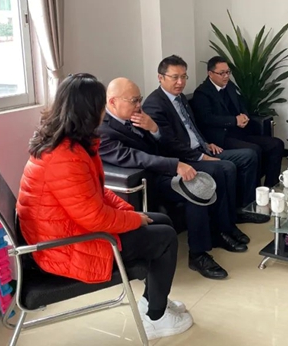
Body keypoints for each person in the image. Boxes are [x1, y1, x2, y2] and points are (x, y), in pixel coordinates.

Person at [16, 73, 192, 340]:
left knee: (161, 221)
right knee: (165, 237)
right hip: (64, 246)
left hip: (71, 229)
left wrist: (131, 213)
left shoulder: (72, 143)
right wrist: (134, 220)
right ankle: (156, 319)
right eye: (101, 106)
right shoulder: (64, 157)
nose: (104, 113)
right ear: (88, 111)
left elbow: (97, 194)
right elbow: (94, 217)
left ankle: (153, 302)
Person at [98, 77, 245, 280]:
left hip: (164, 169)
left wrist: (154, 129)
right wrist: (175, 165)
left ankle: (221, 230)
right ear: (113, 101)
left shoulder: (136, 115)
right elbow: (134, 157)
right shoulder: (102, 130)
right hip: (146, 180)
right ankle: (198, 255)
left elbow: (166, 143)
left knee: (215, 172)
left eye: (140, 99)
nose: (139, 105)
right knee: (194, 189)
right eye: (134, 100)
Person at [142, 55, 266, 224]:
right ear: (160, 77)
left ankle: (244, 208)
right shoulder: (155, 104)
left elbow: (192, 127)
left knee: (249, 156)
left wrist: (205, 142)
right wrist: (202, 156)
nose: (180, 82)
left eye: (183, 76)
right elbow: (169, 143)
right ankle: (226, 221)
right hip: (184, 158)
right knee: (226, 167)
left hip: (201, 148)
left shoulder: (180, 97)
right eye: (175, 77)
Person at [191, 56, 285, 188]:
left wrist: (244, 115)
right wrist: (234, 120)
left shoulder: (229, 85)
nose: (226, 76)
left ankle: (271, 187)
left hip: (240, 132)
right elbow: (207, 119)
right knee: (254, 149)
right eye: (221, 73)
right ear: (210, 74)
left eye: (228, 72)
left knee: (276, 144)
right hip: (221, 138)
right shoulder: (202, 93)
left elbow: (241, 104)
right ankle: (254, 191)